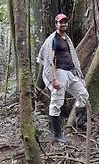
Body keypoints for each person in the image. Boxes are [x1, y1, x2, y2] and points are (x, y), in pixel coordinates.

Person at [37, 13, 89, 143]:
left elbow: (72, 56)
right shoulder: (53, 39)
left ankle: (80, 123)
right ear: (56, 24)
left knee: (83, 94)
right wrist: (54, 79)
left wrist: (77, 73)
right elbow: (51, 60)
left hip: (71, 73)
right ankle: (57, 133)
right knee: (57, 102)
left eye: (65, 22)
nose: (63, 24)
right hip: (59, 73)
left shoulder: (66, 38)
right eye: (61, 22)